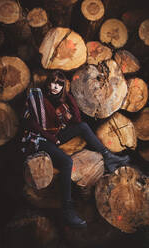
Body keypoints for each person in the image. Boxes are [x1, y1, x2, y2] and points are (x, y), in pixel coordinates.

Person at [21, 70, 130, 228]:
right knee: (66, 162)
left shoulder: (62, 100)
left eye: (59, 84)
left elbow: (77, 119)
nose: (55, 86)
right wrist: (53, 139)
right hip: (38, 138)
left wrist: (68, 97)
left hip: (55, 135)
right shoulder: (37, 96)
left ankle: (108, 156)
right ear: (48, 83)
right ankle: (67, 210)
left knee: (83, 126)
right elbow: (31, 123)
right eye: (53, 82)